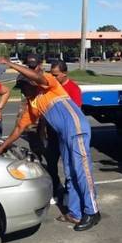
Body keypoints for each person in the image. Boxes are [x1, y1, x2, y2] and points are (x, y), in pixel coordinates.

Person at [0, 57, 100, 232]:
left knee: (82, 170)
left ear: (32, 83)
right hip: (63, 137)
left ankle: (92, 211)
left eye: (25, 87)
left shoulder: (50, 84)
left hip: (76, 130)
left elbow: (37, 78)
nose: (24, 91)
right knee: (71, 173)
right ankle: (74, 212)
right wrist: (1, 148)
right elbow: (18, 129)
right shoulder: (32, 105)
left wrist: (11, 64)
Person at [43, 60, 83, 203]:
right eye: (51, 75)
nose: (53, 78)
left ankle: (68, 193)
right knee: (51, 163)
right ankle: (56, 189)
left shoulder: (73, 89)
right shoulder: (51, 88)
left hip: (66, 134)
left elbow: (75, 113)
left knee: (69, 166)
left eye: (56, 75)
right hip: (52, 133)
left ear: (65, 73)